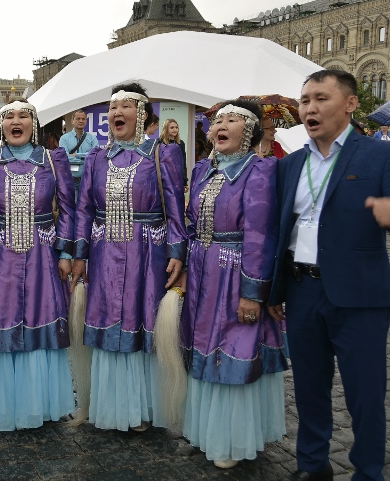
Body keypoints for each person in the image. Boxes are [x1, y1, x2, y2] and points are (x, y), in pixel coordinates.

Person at [269, 70, 390, 481]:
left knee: (365, 393)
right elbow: (279, 229)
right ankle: (312, 465)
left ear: (351, 104)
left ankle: (369, 471)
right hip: (302, 290)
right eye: (304, 100)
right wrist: (273, 291)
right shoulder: (291, 166)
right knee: (309, 387)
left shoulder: (378, 156)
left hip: (360, 296)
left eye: (321, 98)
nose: (310, 108)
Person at [71, 83, 186, 432]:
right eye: (112, 107)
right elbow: (83, 210)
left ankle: (145, 408)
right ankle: (111, 406)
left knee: (142, 321)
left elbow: (175, 209)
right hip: (105, 254)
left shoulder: (161, 154)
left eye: (126, 106)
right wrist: (79, 254)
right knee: (108, 323)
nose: (117, 112)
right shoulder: (95, 158)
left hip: (147, 253)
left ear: (143, 113)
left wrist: (178, 252)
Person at [179, 99, 287, 469]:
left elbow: (260, 234)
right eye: (217, 120)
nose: (220, 125)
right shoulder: (203, 171)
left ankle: (232, 439)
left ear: (251, 131)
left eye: (231, 120)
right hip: (202, 273)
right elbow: (191, 223)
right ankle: (206, 431)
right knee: (204, 347)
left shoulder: (260, 171)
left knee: (233, 347)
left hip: (235, 273)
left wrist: (252, 293)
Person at [0, 98, 76, 431]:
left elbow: (70, 211)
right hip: (0, 258)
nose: (16, 121)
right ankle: (8, 406)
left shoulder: (54, 160)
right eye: (9, 116)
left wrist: (67, 253)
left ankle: (43, 404)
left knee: (43, 320)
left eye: (23, 116)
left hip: (44, 257)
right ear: (1, 126)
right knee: (4, 323)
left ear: (35, 124)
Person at [59, 109, 99, 199]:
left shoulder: (92, 138)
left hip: (88, 180)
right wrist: (85, 161)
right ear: (72, 121)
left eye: (83, 119)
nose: (81, 121)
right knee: (72, 207)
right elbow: (65, 157)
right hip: (70, 181)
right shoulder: (64, 139)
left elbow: (95, 155)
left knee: (86, 208)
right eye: (78, 118)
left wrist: (77, 155)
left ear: (86, 121)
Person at [158, 118, 188, 185]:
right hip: (164, 178)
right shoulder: (159, 143)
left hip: (178, 177)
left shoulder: (180, 143)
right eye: (172, 128)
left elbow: (183, 163)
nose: (175, 129)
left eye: (176, 127)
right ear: (166, 129)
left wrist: (185, 181)